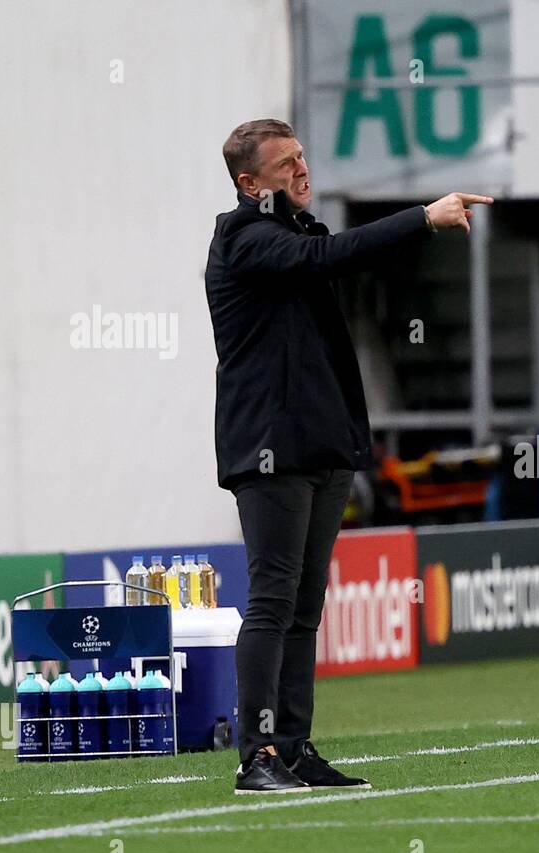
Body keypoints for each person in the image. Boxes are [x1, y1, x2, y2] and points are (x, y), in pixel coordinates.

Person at [205, 118, 493, 794]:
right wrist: (424, 217)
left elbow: (327, 257)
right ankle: (257, 757)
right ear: (250, 184)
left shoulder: (297, 232)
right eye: (285, 165)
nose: (302, 171)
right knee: (274, 602)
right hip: (270, 451)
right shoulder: (244, 236)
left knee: (306, 606)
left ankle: (296, 748)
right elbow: (328, 260)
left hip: (319, 446)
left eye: (302, 157)